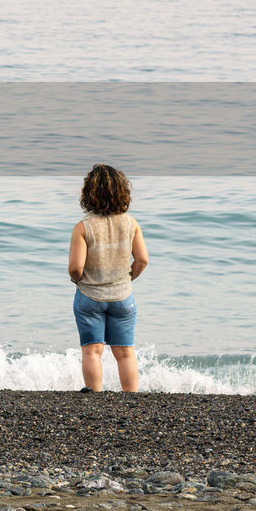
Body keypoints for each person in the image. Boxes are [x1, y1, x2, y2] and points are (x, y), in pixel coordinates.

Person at [67, 163, 148, 392]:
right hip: (122, 297)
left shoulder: (83, 227)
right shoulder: (131, 223)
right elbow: (142, 260)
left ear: (88, 193)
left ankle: (95, 393)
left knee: (92, 350)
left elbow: (75, 268)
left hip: (90, 296)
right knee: (125, 351)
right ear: (123, 191)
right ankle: (130, 395)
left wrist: (78, 280)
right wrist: (127, 279)